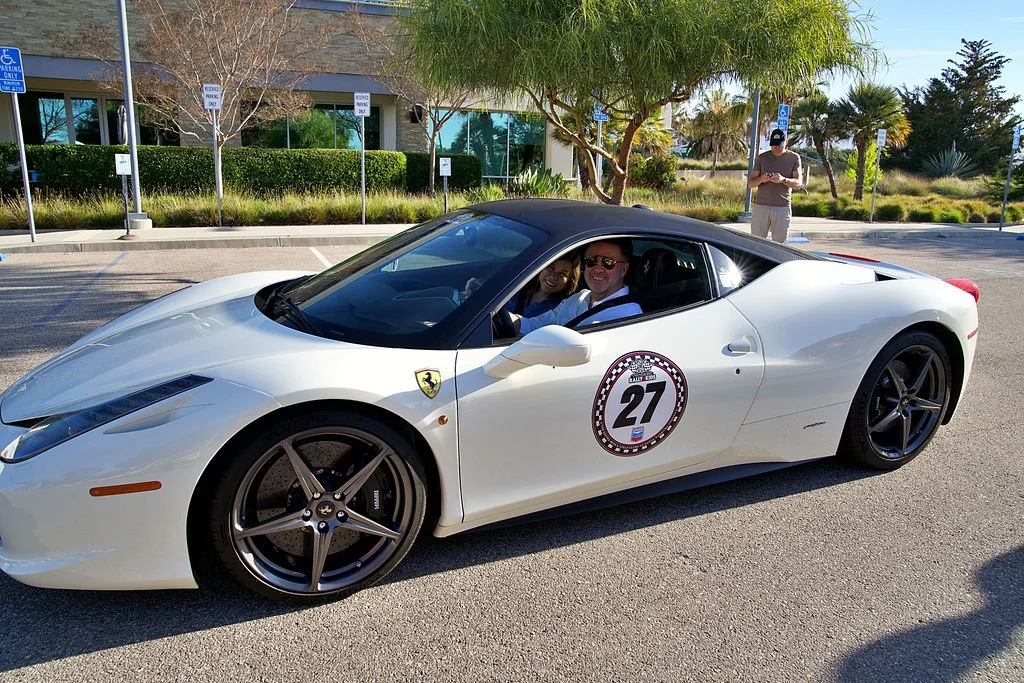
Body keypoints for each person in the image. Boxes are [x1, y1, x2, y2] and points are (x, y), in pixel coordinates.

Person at [514, 239, 642, 334]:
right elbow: (533, 326)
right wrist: (503, 318)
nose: (598, 269)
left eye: (608, 262)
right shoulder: (578, 299)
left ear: (624, 269)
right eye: (591, 261)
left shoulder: (629, 315)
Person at [748, 127, 802, 243]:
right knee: (756, 242)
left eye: (779, 145)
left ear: (786, 142)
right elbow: (751, 184)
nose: (776, 147)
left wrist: (783, 180)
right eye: (773, 145)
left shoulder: (794, 158)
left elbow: (798, 183)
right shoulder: (762, 158)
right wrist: (761, 179)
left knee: (780, 243)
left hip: (782, 208)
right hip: (761, 207)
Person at [504, 256, 581, 317]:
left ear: (569, 281)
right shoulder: (516, 288)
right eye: (551, 268)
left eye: (562, 274)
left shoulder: (560, 311)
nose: (554, 276)